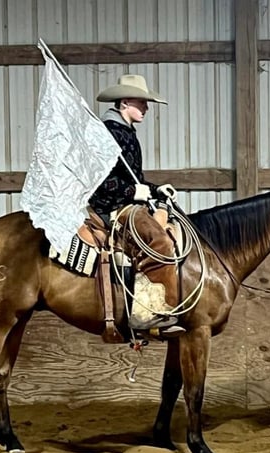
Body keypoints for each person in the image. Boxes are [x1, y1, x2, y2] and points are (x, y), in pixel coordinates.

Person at [88, 74, 183, 335]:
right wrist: (134, 191)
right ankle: (146, 314)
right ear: (125, 102)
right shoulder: (108, 133)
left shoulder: (124, 132)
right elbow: (100, 182)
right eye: (141, 102)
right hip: (111, 206)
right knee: (160, 241)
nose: (146, 108)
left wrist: (154, 189)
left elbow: (129, 176)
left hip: (125, 200)